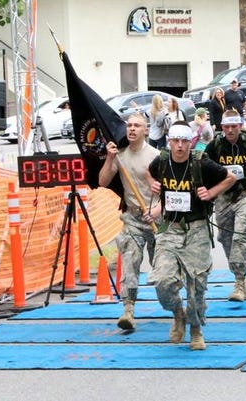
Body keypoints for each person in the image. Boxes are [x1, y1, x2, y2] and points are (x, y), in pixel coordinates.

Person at [147, 121, 235, 350]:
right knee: (162, 281)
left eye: (184, 141)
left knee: (196, 286)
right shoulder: (162, 161)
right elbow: (148, 173)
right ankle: (178, 313)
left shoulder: (201, 163)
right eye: (175, 140)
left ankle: (196, 329)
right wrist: (153, 185)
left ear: (191, 142)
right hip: (170, 226)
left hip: (196, 228)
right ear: (169, 141)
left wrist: (211, 192)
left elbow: (230, 178)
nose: (179, 146)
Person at [98, 113, 161, 330]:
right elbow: (102, 181)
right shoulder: (120, 157)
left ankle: (175, 306)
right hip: (133, 219)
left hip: (156, 220)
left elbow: (170, 189)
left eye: (137, 126)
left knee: (162, 272)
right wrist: (109, 158)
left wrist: (157, 205)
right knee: (130, 264)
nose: (132, 129)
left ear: (146, 130)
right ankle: (128, 310)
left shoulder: (156, 156)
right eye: (129, 125)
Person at [205, 109, 246, 301]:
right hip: (223, 196)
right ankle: (240, 275)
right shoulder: (215, 145)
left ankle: (239, 282)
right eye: (227, 127)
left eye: (234, 126)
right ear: (222, 127)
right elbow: (204, 167)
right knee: (225, 237)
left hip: (245, 194)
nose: (230, 130)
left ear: (240, 126)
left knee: (240, 235)